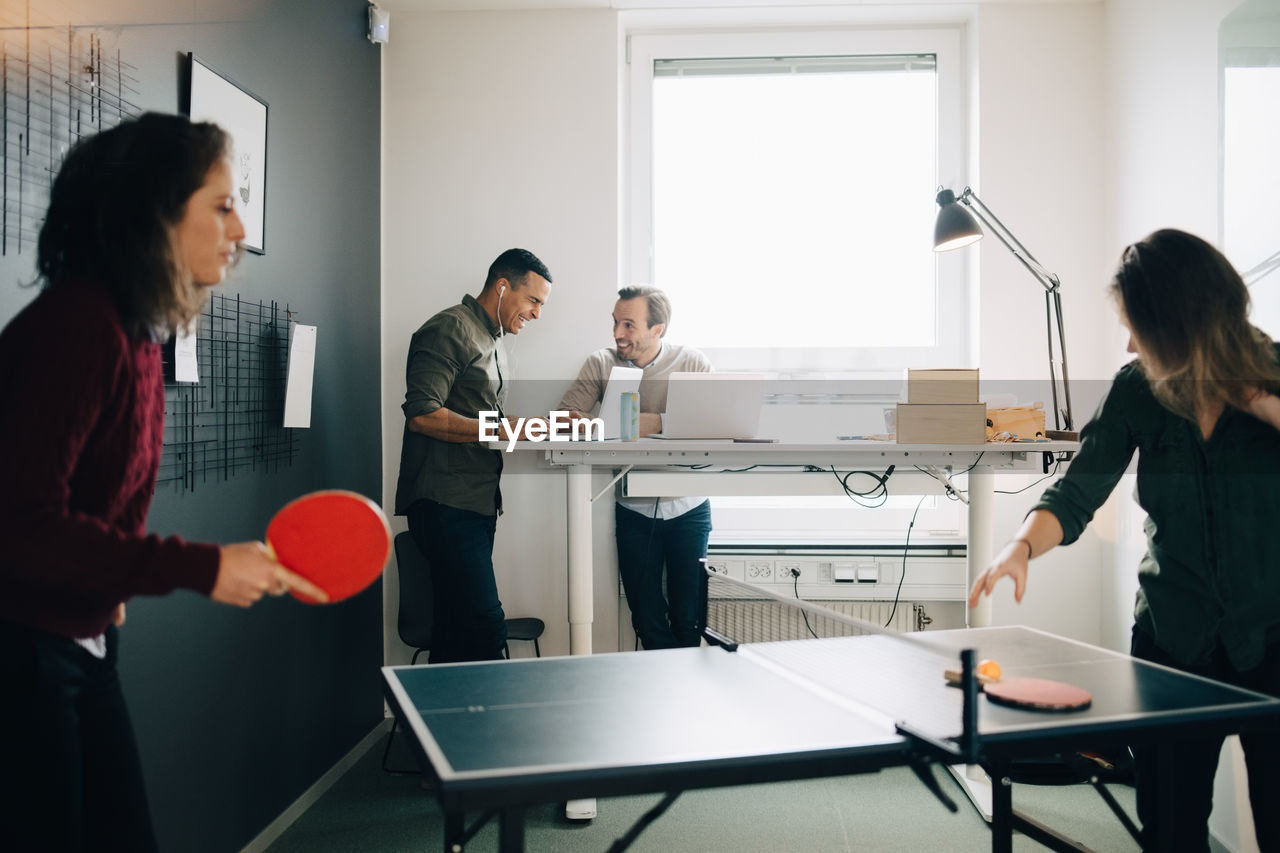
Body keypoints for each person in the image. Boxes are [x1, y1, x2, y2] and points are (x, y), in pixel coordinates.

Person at [0, 113, 327, 853]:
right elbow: (19, 521)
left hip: (76, 641)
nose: (240, 227)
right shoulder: (79, 326)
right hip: (23, 652)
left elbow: (82, 512)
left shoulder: (137, 332)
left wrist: (105, 580)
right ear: (152, 210)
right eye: (221, 204)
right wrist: (203, 567)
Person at [969, 229, 1280, 852]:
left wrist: (1255, 399)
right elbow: (1077, 492)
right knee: (1169, 829)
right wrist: (1022, 547)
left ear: (1180, 321)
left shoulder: (1272, 374)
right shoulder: (1137, 388)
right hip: (1171, 643)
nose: (1130, 342)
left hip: (1272, 641)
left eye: (1138, 325)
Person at [394, 248, 552, 663]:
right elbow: (423, 415)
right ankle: (483, 727)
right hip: (445, 502)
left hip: (475, 502)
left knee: (455, 629)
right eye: (533, 300)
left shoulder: (491, 340)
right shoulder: (449, 329)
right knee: (484, 627)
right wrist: (500, 429)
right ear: (502, 287)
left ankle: (433, 727)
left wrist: (544, 423)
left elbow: (485, 419)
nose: (537, 314)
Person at [558, 285, 713, 649]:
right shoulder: (601, 362)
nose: (617, 334)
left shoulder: (692, 363)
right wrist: (607, 421)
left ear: (657, 329)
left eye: (629, 325)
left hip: (689, 509)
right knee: (644, 617)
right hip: (633, 511)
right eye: (615, 322)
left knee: (690, 618)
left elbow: (715, 425)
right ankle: (666, 687)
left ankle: (684, 695)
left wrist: (657, 422)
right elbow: (564, 418)